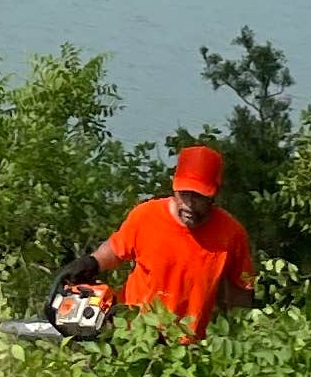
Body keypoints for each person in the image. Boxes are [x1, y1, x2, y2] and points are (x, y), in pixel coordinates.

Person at [93, 144, 255, 340]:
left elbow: (240, 294)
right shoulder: (146, 216)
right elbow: (116, 249)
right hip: (133, 336)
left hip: (186, 347)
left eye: (198, 197)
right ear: (174, 187)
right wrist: (92, 263)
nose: (189, 204)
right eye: (184, 194)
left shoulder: (231, 234)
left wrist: (240, 336)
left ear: (214, 194)